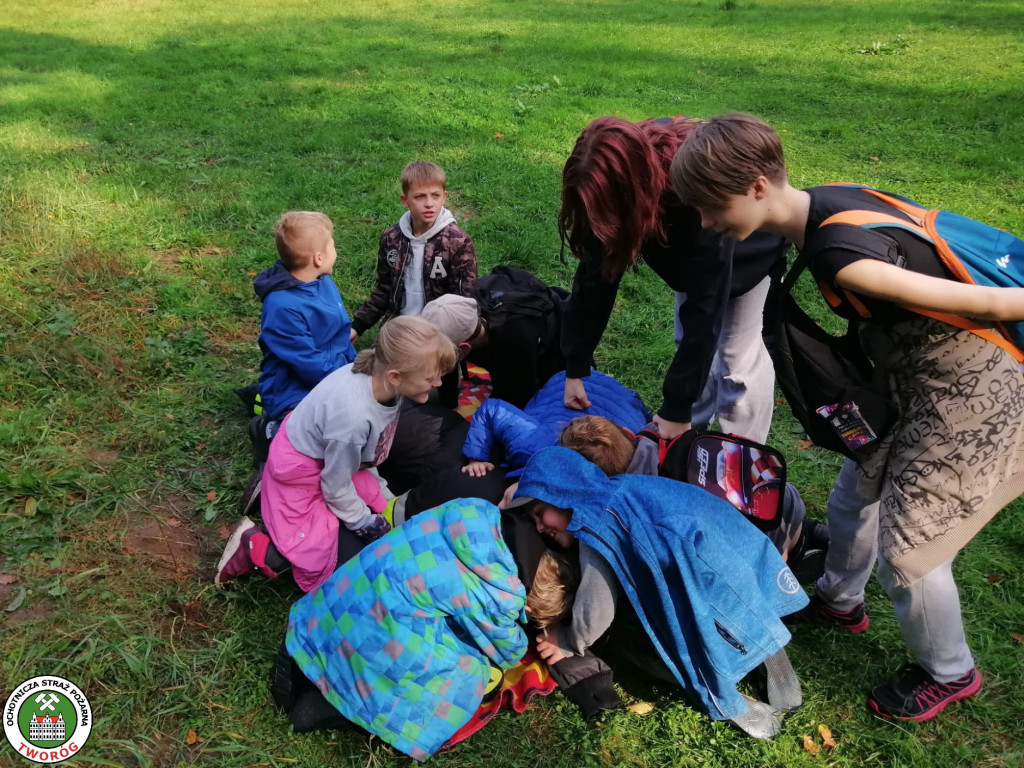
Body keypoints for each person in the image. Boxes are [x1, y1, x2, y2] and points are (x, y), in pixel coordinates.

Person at [669, 111, 1024, 721]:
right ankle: (839, 598)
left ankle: (948, 670)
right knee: (854, 491)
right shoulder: (826, 201)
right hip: (910, 379)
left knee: (912, 546)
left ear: (756, 186)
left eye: (708, 206)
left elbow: (989, 301)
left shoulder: (843, 258)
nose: (705, 222)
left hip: (972, 388)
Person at [506, 446, 808, 739]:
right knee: (748, 610)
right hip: (731, 548)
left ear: (562, 492)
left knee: (693, 646)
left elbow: (597, 608)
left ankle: (737, 708)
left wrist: (567, 641)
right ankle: (774, 661)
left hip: (699, 580)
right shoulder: (627, 485)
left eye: (539, 512)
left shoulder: (594, 522)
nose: (539, 526)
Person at [558, 116, 788, 443]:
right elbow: (596, 279)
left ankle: (740, 456)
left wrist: (675, 406)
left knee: (735, 359)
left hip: (746, 245)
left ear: (635, 193)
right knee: (690, 346)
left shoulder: (695, 199)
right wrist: (576, 364)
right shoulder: (609, 184)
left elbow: (705, 310)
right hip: (687, 250)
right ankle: (690, 434)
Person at [270, 497, 528, 760]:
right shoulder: (500, 591)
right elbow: (508, 651)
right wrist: (522, 626)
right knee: (470, 672)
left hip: (333, 608)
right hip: (375, 642)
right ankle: (334, 710)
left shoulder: (465, 511)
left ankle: (301, 658)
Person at [214, 316, 457, 592]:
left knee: (377, 510)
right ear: (395, 376)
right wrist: (364, 523)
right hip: (303, 472)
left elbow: (361, 457)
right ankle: (256, 547)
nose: (438, 383)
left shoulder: (382, 381)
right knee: (333, 567)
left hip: (329, 460)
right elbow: (334, 486)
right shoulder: (352, 420)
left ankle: (270, 488)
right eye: (431, 377)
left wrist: (379, 502)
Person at [558, 415, 828, 576]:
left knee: (775, 566)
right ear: (629, 434)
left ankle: (801, 560)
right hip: (779, 492)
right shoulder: (658, 433)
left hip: (768, 538)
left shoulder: (639, 500)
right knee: (795, 523)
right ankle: (816, 532)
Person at [247, 211, 357, 458]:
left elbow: (340, 333)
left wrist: (357, 368)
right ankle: (268, 429)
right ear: (318, 258)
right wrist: (348, 385)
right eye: (333, 245)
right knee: (318, 443)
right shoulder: (282, 307)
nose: (336, 250)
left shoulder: (323, 282)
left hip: (334, 376)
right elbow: (309, 365)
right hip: (295, 390)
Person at [349, 161, 477, 342]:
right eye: (420, 197)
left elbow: (463, 301)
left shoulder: (458, 242)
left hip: (438, 333)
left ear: (444, 197)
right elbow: (384, 290)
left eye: (435, 196)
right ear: (405, 200)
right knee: (372, 367)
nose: (429, 204)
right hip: (399, 327)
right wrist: (358, 326)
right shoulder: (391, 238)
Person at [420, 265, 569, 409]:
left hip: (553, 342)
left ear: (464, 348)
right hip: (494, 332)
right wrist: (448, 403)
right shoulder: (462, 312)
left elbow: (521, 393)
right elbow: (446, 365)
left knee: (516, 396)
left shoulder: (515, 338)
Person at [461, 370, 651, 478]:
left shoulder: (532, 445)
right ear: (628, 434)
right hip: (579, 386)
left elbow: (492, 407)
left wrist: (476, 458)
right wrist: (476, 457)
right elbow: (491, 408)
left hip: (597, 387)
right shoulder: (531, 443)